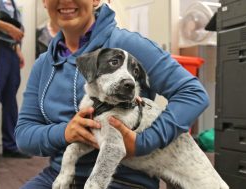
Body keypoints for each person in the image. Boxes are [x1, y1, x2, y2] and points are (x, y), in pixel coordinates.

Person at [15, 0, 209, 188]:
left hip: (125, 179)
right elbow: (24, 135)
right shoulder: (43, 64)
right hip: (60, 176)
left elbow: (193, 94)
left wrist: (144, 142)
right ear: (44, 2)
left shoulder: (128, 45)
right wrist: (64, 133)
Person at [0, 0, 29, 158]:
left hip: (11, 52)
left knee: (10, 101)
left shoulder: (14, 5)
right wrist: (8, 27)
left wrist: (18, 51)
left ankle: (10, 145)